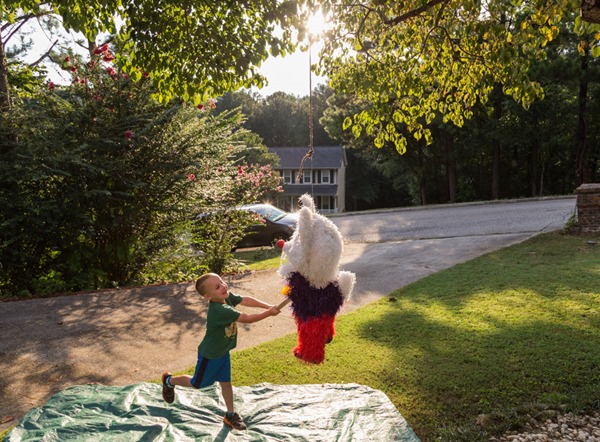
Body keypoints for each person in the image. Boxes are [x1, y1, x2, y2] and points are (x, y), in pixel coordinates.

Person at [161, 272, 281, 431]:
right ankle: (169, 381)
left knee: (226, 383)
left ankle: (230, 415)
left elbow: (245, 300)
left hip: (223, 352)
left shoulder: (226, 297)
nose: (223, 286)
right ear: (208, 296)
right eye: (217, 287)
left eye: (222, 282)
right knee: (197, 383)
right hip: (209, 356)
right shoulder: (219, 309)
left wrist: (268, 306)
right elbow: (247, 318)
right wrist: (269, 313)